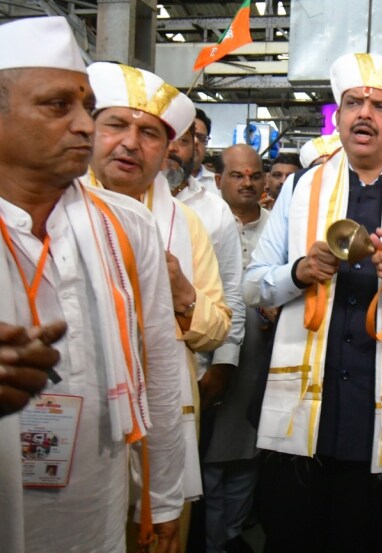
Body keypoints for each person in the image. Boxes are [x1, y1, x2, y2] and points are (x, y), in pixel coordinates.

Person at [242, 52, 382, 553]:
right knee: (288, 538)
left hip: (378, 415)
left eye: (381, 107)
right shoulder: (299, 190)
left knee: (358, 538)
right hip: (301, 409)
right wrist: (298, 273)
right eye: (353, 103)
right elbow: (254, 287)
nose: (364, 113)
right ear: (338, 117)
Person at [0, 17, 185, 553]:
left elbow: (159, 366)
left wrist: (163, 496)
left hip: (94, 510)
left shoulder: (126, 225)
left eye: (86, 106)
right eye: (58, 106)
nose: (85, 125)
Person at [83, 61, 232, 545]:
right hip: (82, 421)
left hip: (163, 424)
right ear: (90, 129)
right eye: (116, 125)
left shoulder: (186, 225)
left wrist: (183, 295)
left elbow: (218, 328)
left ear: (167, 148)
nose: (130, 142)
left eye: (149, 132)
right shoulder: (56, 207)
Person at [204, 144, 273, 553]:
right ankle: (211, 539)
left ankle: (231, 536)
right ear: (218, 180)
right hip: (215, 349)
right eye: (236, 175)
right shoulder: (204, 223)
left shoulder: (277, 226)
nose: (247, 183)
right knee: (211, 453)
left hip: (261, 352)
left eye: (254, 175)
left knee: (250, 448)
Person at [164, 123, 245, 413]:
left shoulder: (213, 208)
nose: (173, 147)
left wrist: (223, 362)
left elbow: (230, 290)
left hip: (194, 364)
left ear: (197, 147)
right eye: (165, 137)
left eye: (184, 140)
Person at [192, 108, 219, 195]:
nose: (195, 141)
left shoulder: (217, 186)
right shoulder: (157, 181)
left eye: (201, 138)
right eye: (189, 135)